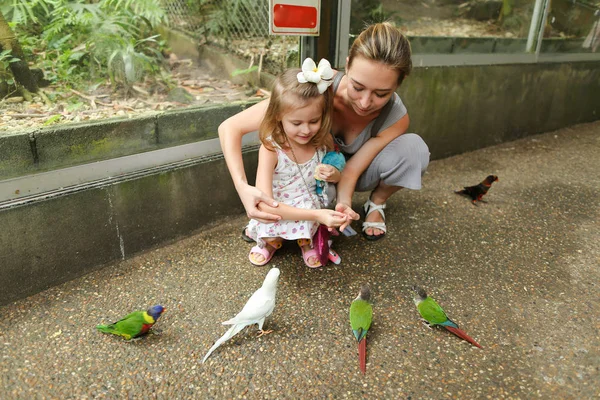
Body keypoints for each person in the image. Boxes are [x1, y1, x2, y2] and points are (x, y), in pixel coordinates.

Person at [219, 22, 429, 241]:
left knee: (414, 149)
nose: (365, 102)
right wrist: (243, 188)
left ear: (400, 82)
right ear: (348, 65)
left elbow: (352, 170)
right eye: (357, 87)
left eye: (381, 94)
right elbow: (230, 127)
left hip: (354, 175)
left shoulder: (396, 117)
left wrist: (344, 203)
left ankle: (377, 201)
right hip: (308, 179)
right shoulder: (318, 87)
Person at [244, 59, 348, 268]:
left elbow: (337, 177)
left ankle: (306, 242)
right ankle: (272, 242)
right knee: (270, 216)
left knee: (312, 210)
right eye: (296, 123)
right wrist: (316, 215)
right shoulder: (271, 149)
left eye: (313, 121)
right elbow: (265, 202)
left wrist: (333, 174)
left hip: (308, 201)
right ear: (278, 116)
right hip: (279, 206)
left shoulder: (322, 141)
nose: (306, 130)